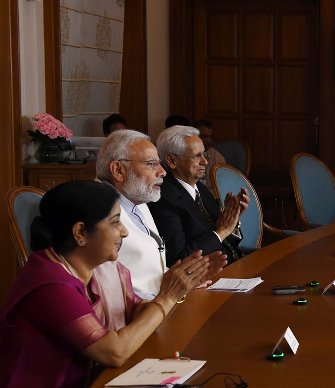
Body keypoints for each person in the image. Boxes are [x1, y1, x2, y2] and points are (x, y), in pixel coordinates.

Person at [0, 181, 213, 388]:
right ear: (80, 232)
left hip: (89, 386)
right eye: (115, 222)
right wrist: (166, 297)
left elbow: (137, 312)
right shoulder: (50, 284)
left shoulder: (103, 267)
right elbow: (114, 352)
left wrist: (177, 287)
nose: (124, 231)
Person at [95, 129, 227, 299]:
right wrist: (174, 288)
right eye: (151, 164)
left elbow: (149, 266)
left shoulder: (136, 197)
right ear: (118, 170)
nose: (163, 172)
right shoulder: (99, 213)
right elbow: (113, 285)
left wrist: (184, 279)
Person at [149, 125, 249, 267]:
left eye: (204, 154)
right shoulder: (162, 198)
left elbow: (225, 240)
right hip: (207, 278)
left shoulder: (201, 188)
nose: (205, 161)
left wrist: (231, 219)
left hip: (232, 265)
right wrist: (221, 231)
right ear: (172, 161)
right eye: (197, 156)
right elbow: (180, 259)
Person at [193, 118, 226, 187]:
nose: (209, 140)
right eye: (204, 136)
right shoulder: (185, 155)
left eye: (210, 136)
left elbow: (220, 187)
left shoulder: (217, 159)